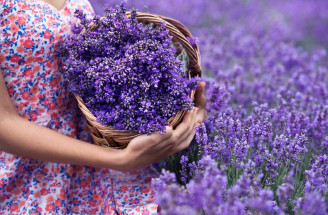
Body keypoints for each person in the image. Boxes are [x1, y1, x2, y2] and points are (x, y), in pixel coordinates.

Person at [0, 0, 207, 214]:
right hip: (32, 178)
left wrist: (182, 112)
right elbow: (3, 123)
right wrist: (121, 160)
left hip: (101, 160)